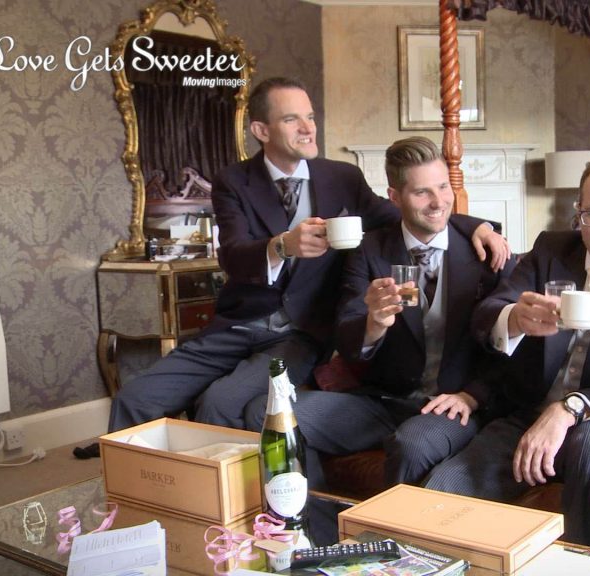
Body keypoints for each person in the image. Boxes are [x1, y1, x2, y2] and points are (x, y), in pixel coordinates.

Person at [106, 78, 508, 436]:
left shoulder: (341, 178)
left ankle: (225, 505)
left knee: (220, 403)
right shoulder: (234, 181)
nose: (308, 127)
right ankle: (127, 506)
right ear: (261, 130)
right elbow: (232, 256)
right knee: (134, 398)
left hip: (302, 333)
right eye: (292, 119)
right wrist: (282, 245)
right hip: (239, 324)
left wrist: (476, 226)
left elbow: (409, 212)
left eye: (311, 117)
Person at [423, 153, 590, 546]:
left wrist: (580, 397)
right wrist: (515, 318)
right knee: (439, 495)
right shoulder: (552, 249)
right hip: (527, 412)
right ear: (578, 212)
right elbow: (488, 313)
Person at [245, 136, 515, 487]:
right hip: (382, 402)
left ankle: (389, 538)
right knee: (268, 415)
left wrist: (473, 395)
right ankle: (317, 528)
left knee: (413, 444)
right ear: (394, 197)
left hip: (450, 405)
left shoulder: (485, 251)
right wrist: (373, 323)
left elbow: (511, 346)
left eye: (443, 187)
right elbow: (348, 334)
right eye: (422, 193)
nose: (438, 202)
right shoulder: (370, 249)